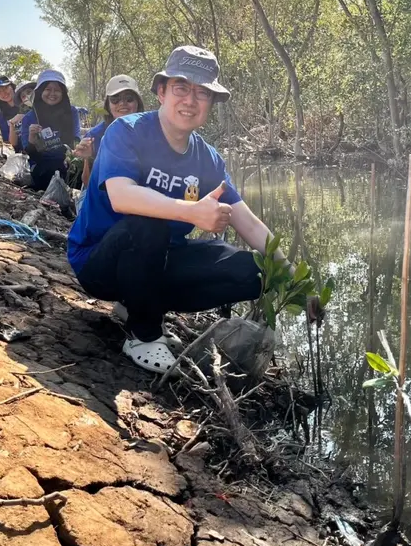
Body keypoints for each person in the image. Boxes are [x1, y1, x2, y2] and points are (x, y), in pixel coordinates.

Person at [67, 46, 320, 374]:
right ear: (161, 92)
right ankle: (143, 336)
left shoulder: (208, 158)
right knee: (148, 225)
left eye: (202, 93)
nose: (190, 100)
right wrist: (190, 211)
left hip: (160, 262)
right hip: (99, 262)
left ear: (211, 104)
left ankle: (139, 304)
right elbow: (122, 197)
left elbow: (249, 223)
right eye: (181, 88)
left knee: (255, 269)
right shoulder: (126, 131)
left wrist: (295, 280)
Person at [74, 75, 144, 189]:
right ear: (108, 104)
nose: (122, 103)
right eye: (115, 99)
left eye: (129, 98)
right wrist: (89, 158)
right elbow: (87, 182)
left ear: (138, 103)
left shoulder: (149, 132)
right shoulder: (94, 136)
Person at [20, 70, 80, 191]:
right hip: (42, 168)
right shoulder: (30, 118)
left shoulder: (71, 112)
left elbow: (76, 140)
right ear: (40, 91)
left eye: (57, 90)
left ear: (63, 93)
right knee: (49, 171)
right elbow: (30, 154)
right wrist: (32, 139)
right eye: (48, 89)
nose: (52, 93)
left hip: (68, 164)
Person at [0, 75, 24, 152]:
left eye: (5, 88)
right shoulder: (2, 116)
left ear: (12, 87)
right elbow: (8, 142)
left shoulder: (26, 105)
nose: (3, 93)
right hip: (20, 154)